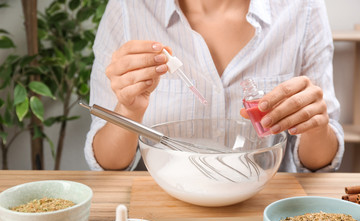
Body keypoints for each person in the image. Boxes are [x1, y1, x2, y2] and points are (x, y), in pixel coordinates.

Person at [84, 0, 344, 172]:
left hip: (266, 206)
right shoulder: (129, 9)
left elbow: (321, 163)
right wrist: (129, 111)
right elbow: (107, 164)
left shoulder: (303, 8)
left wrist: (315, 126)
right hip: (161, 208)